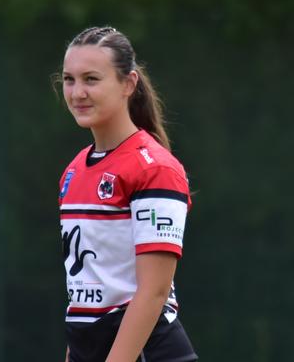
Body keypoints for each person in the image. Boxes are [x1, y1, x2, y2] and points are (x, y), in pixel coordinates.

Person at [57, 26, 198, 362]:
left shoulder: (155, 168)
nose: (78, 92)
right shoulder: (73, 172)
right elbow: (87, 295)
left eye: (91, 79)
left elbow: (153, 292)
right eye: (69, 79)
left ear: (128, 84)